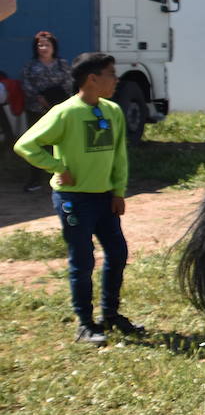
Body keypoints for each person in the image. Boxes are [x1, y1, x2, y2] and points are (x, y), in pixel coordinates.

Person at [13, 52, 143, 345]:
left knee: (118, 253)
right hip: (73, 199)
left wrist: (118, 191)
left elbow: (119, 156)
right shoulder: (66, 112)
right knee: (82, 261)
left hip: (105, 198)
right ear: (92, 79)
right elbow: (25, 145)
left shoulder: (113, 111)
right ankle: (85, 324)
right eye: (111, 73)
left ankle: (111, 315)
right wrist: (58, 167)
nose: (115, 79)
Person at [20, 31, 72, 192]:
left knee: (57, 142)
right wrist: (38, 97)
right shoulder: (31, 65)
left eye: (46, 45)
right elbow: (25, 83)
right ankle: (35, 179)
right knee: (37, 143)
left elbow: (69, 83)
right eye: (40, 45)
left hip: (57, 108)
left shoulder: (61, 64)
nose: (43, 48)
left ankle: (61, 175)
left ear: (53, 47)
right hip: (37, 108)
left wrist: (56, 99)